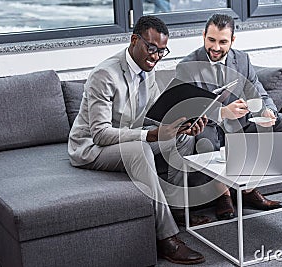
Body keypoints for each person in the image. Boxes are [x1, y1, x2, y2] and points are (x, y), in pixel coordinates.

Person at [68, 15, 206, 265]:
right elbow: (100, 134)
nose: (155, 56)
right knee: (141, 148)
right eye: (151, 48)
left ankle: (176, 211)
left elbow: (152, 116)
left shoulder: (147, 70)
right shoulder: (105, 75)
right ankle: (167, 238)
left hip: (128, 139)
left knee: (182, 140)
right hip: (92, 148)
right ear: (134, 40)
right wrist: (150, 135)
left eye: (162, 51)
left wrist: (180, 125)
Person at [176, 14, 282, 220]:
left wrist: (267, 111)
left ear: (232, 40)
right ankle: (222, 193)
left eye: (223, 42)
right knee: (203, 137)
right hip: (208, 129)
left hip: (239, 128)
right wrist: (223, 112)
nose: (216, 47)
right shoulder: (187, 66)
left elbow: (258, 93)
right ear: (203, 36)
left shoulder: (242, 59)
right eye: (211, 40)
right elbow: (187, 110)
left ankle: (247, 190)